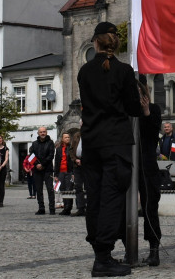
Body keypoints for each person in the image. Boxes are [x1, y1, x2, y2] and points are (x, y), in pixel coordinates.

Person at [76, 21, 141, 277]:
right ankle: (103, 258)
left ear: (96, 42)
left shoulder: (85, 71)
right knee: (112, 199)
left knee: (94, 198)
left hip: (92, 142)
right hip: (115, 142)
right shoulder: (123, 71)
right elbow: (133, 108)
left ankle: (99, 251)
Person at [132, 80, 162, 266]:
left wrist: (146, 112)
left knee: (150, 206)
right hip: (129, 164)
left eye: (138, 91)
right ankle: (127, 247)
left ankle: (154, 248)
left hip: (147, 164)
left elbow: (153, 134)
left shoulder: (153, 109)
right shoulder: (127, 112)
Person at [30, 126, 56, 215]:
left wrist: (42, 164)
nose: (42, 133)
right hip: (37, 170)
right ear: (38, 133)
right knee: (39, 190)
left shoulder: (51, 143)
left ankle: (52, 208)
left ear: (46, 132)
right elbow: (31, 156)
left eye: (44, 131)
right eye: (41, 132)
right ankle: (41, 208)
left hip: (48, 169)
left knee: (50, 189)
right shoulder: (34, 144)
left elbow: (51, 155)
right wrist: (37, 164)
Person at [55, 132, 75, 215]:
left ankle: (68, 208)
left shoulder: (72, 148)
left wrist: (73, 173)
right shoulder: (59, 149)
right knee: (63, 190)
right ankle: (65, 207)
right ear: (62, 139)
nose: (67, 139)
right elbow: (56, 162)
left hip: (69, 172)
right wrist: (56, 175)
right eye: (66, 137)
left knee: (69, 190)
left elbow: (73, 161)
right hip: (61, 172)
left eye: (68, 137)